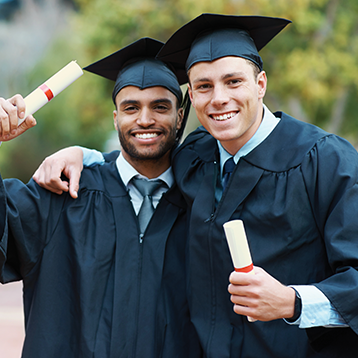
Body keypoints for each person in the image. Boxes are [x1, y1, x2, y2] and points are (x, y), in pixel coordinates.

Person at [33, 14, 358, 358]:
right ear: (192, 95)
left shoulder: (324, 160)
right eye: (204, 86)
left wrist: (292, 302)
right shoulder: (194, 157)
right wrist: (82, 154)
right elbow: (143, 155)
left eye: (233, 81)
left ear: (260, 83)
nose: (218, 98)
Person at [0, 37, 202, 358]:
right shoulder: (62, 193)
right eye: (131, 108)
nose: (145, 119)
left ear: (180, 117)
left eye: (160, 107)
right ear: (115, 118)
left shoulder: (204, 203)